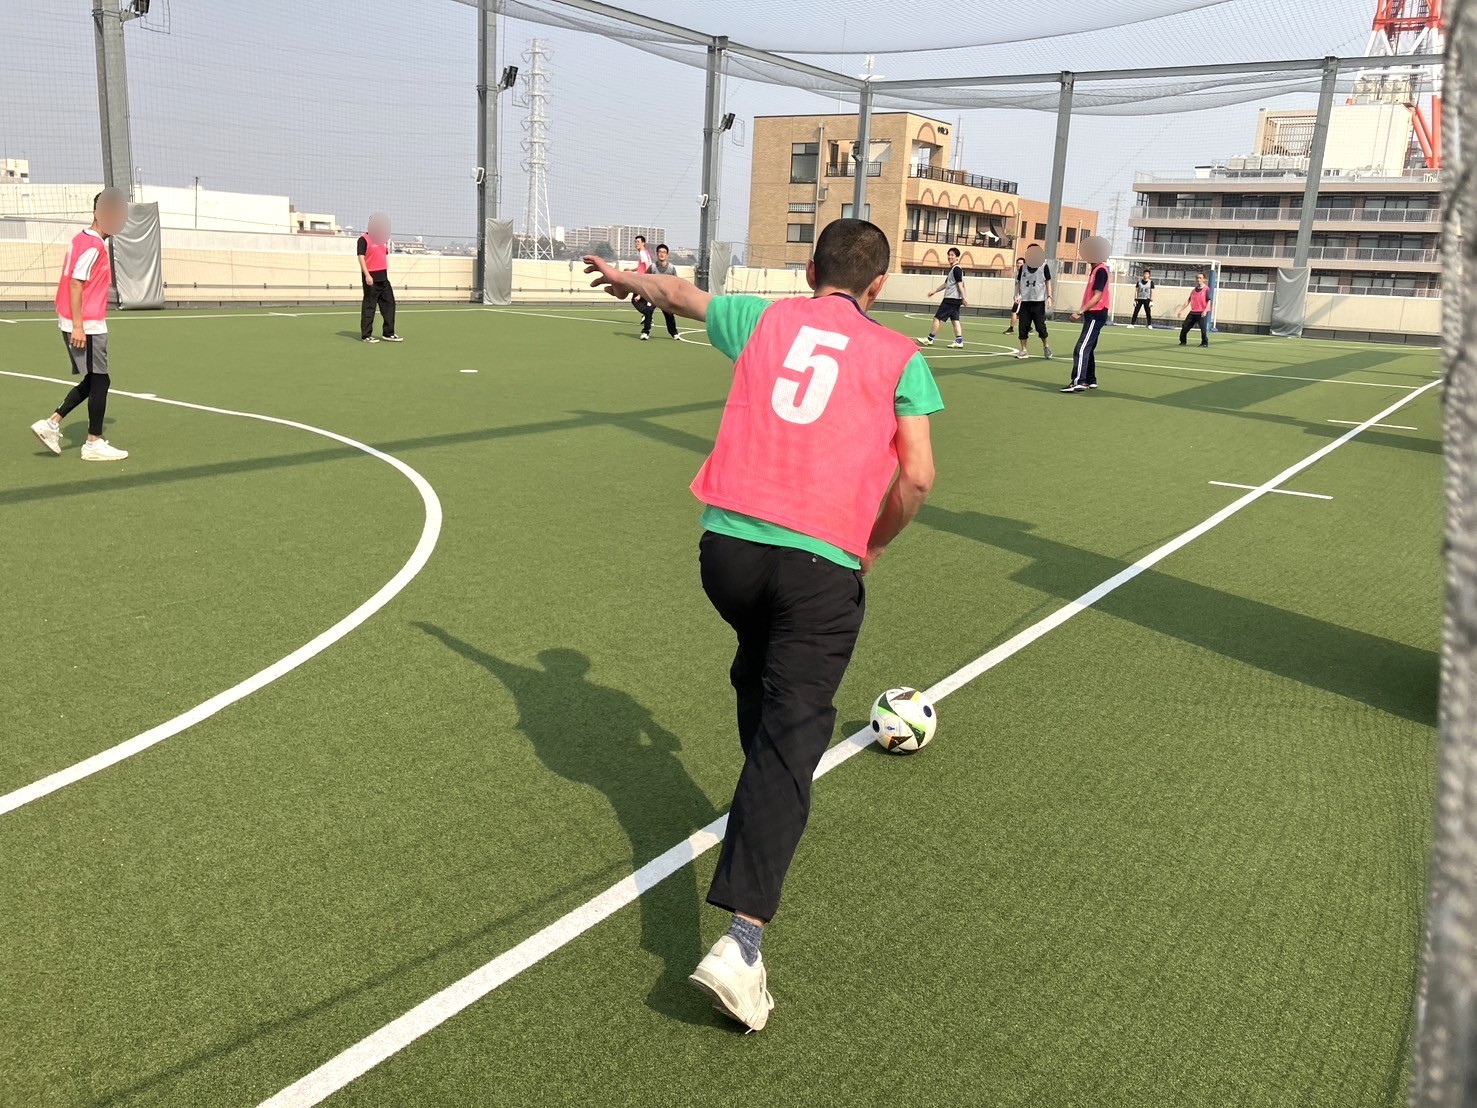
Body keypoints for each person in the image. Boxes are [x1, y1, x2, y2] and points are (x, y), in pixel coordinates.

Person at [582, 218, 942, 1033]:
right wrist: (872, 547)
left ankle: (762, 793)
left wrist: (627, 279)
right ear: (879, 285)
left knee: (759, 666)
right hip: (818, 567)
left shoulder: (764, 318)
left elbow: (677, 291)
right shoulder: (900, 357)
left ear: (810, 271)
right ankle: (742, 943)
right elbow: (917, 476)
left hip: (727, 555)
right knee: (791, 736)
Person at [30, 187, 131, 462]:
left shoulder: (80, 239)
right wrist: (78, 326)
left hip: (79, 320)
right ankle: (93, 443)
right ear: (97, 214)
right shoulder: (94, 245)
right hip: (86, 323)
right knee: (100, 380)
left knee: (95, 379)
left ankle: (51, 424)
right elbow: (76, 282)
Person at [1062, 236, 1112, 393]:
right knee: (1088, 347)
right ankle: (1090, 379)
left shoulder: (1101, 270)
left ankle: (1078, 381)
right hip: (1094, 314)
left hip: (1096, 314)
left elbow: (1097, 296)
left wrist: (1080, 311)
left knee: (1081, 348)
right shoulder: (1096, 269)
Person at [358, 213, 402, 343]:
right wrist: (367, 275)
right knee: (369, 307)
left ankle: (388, 333)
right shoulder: (363, 239)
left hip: (383, 277)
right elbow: (361, 257)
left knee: (389, 304)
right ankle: (366, 335)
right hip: (371, 277)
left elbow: (382, 255)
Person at [919, 247, 966, 348]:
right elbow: (946, 284)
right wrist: (935, 291)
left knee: (937, 318)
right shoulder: (954, 269)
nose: (950, 257)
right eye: (949, 255)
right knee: (955, 320)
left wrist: (964, 297)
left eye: (952, 255)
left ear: (957, 257)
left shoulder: (956, 269)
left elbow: (960, 284)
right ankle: (959, 341)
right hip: (955, 300)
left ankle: (929, 339)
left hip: (950, 299)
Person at [1013, 243, 1053, 360]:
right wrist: (1018, 295)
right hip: (1025, 301)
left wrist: (1049, 297)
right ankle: (1024, 350)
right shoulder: (1023, 267)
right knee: (1023, 326)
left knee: (1040, 326)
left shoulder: (1043, 266)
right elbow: (1019, 282)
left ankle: (1046, 346)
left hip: (1038, 301)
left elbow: (1048, 282)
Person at [637, 244, 681, 340]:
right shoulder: (652, 267)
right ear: (657, 254)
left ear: (667, 255)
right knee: (648, 311)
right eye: (660, 252)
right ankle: (645, 332)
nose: (662, 254)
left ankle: (674, 333)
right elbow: (644, 279)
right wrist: (641, 294)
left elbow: (676, 283)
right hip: (654, 296)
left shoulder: (671, 268)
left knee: (669, 314)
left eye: (664, 252)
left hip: (665, 297)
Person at [1178, 273, 1213, 348]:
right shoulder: (1193, 290)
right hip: (1193, 312)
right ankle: (1183, 341)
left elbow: (1209, 301)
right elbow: (1188, 301)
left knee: (1203, 329)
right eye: (1197, 278)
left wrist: (1205, 311)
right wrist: (1181, 310)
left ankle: (1204, 343)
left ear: (1204, 279)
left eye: (1200, 278)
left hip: (1201, 312)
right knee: (1185, 326)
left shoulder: (1206, 289)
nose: (1198, 280)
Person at [1004, 257, 1024, 334]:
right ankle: (1029, 328)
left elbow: (1023, 287)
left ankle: (1011, 328)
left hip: (1020, 298)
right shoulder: (1017, 273)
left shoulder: (1023, 275)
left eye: (1020, 263)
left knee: (1014, 312)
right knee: (1022, 313)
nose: (1018, 265)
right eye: (1017, 263)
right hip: (1017, 297)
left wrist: (1019, 297)